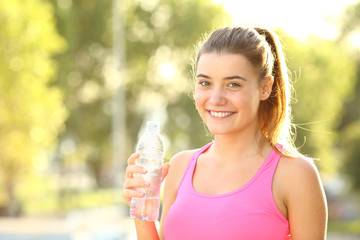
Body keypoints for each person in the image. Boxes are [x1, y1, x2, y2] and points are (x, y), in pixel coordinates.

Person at [122, 26, 328, 240]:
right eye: (205, 83)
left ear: (265, 87)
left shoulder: (295, 174)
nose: (216, 98)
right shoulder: (180, 166)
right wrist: (141, 210)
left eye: (233, 84)